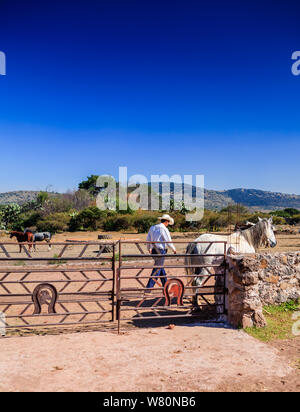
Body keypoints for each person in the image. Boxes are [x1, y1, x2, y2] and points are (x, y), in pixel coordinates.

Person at [146, 214, 176, 290]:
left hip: (154, 250)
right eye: (168, 222)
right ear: (166, 221)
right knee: (158, 269)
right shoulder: (163, 229)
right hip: (160, 250)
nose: (168, 224)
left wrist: (149, 248)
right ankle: (148, 288)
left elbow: (148, 239)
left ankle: (166, 286)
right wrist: (173, 249)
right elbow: (168, 240)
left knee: (160, 268)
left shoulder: (152, 227)